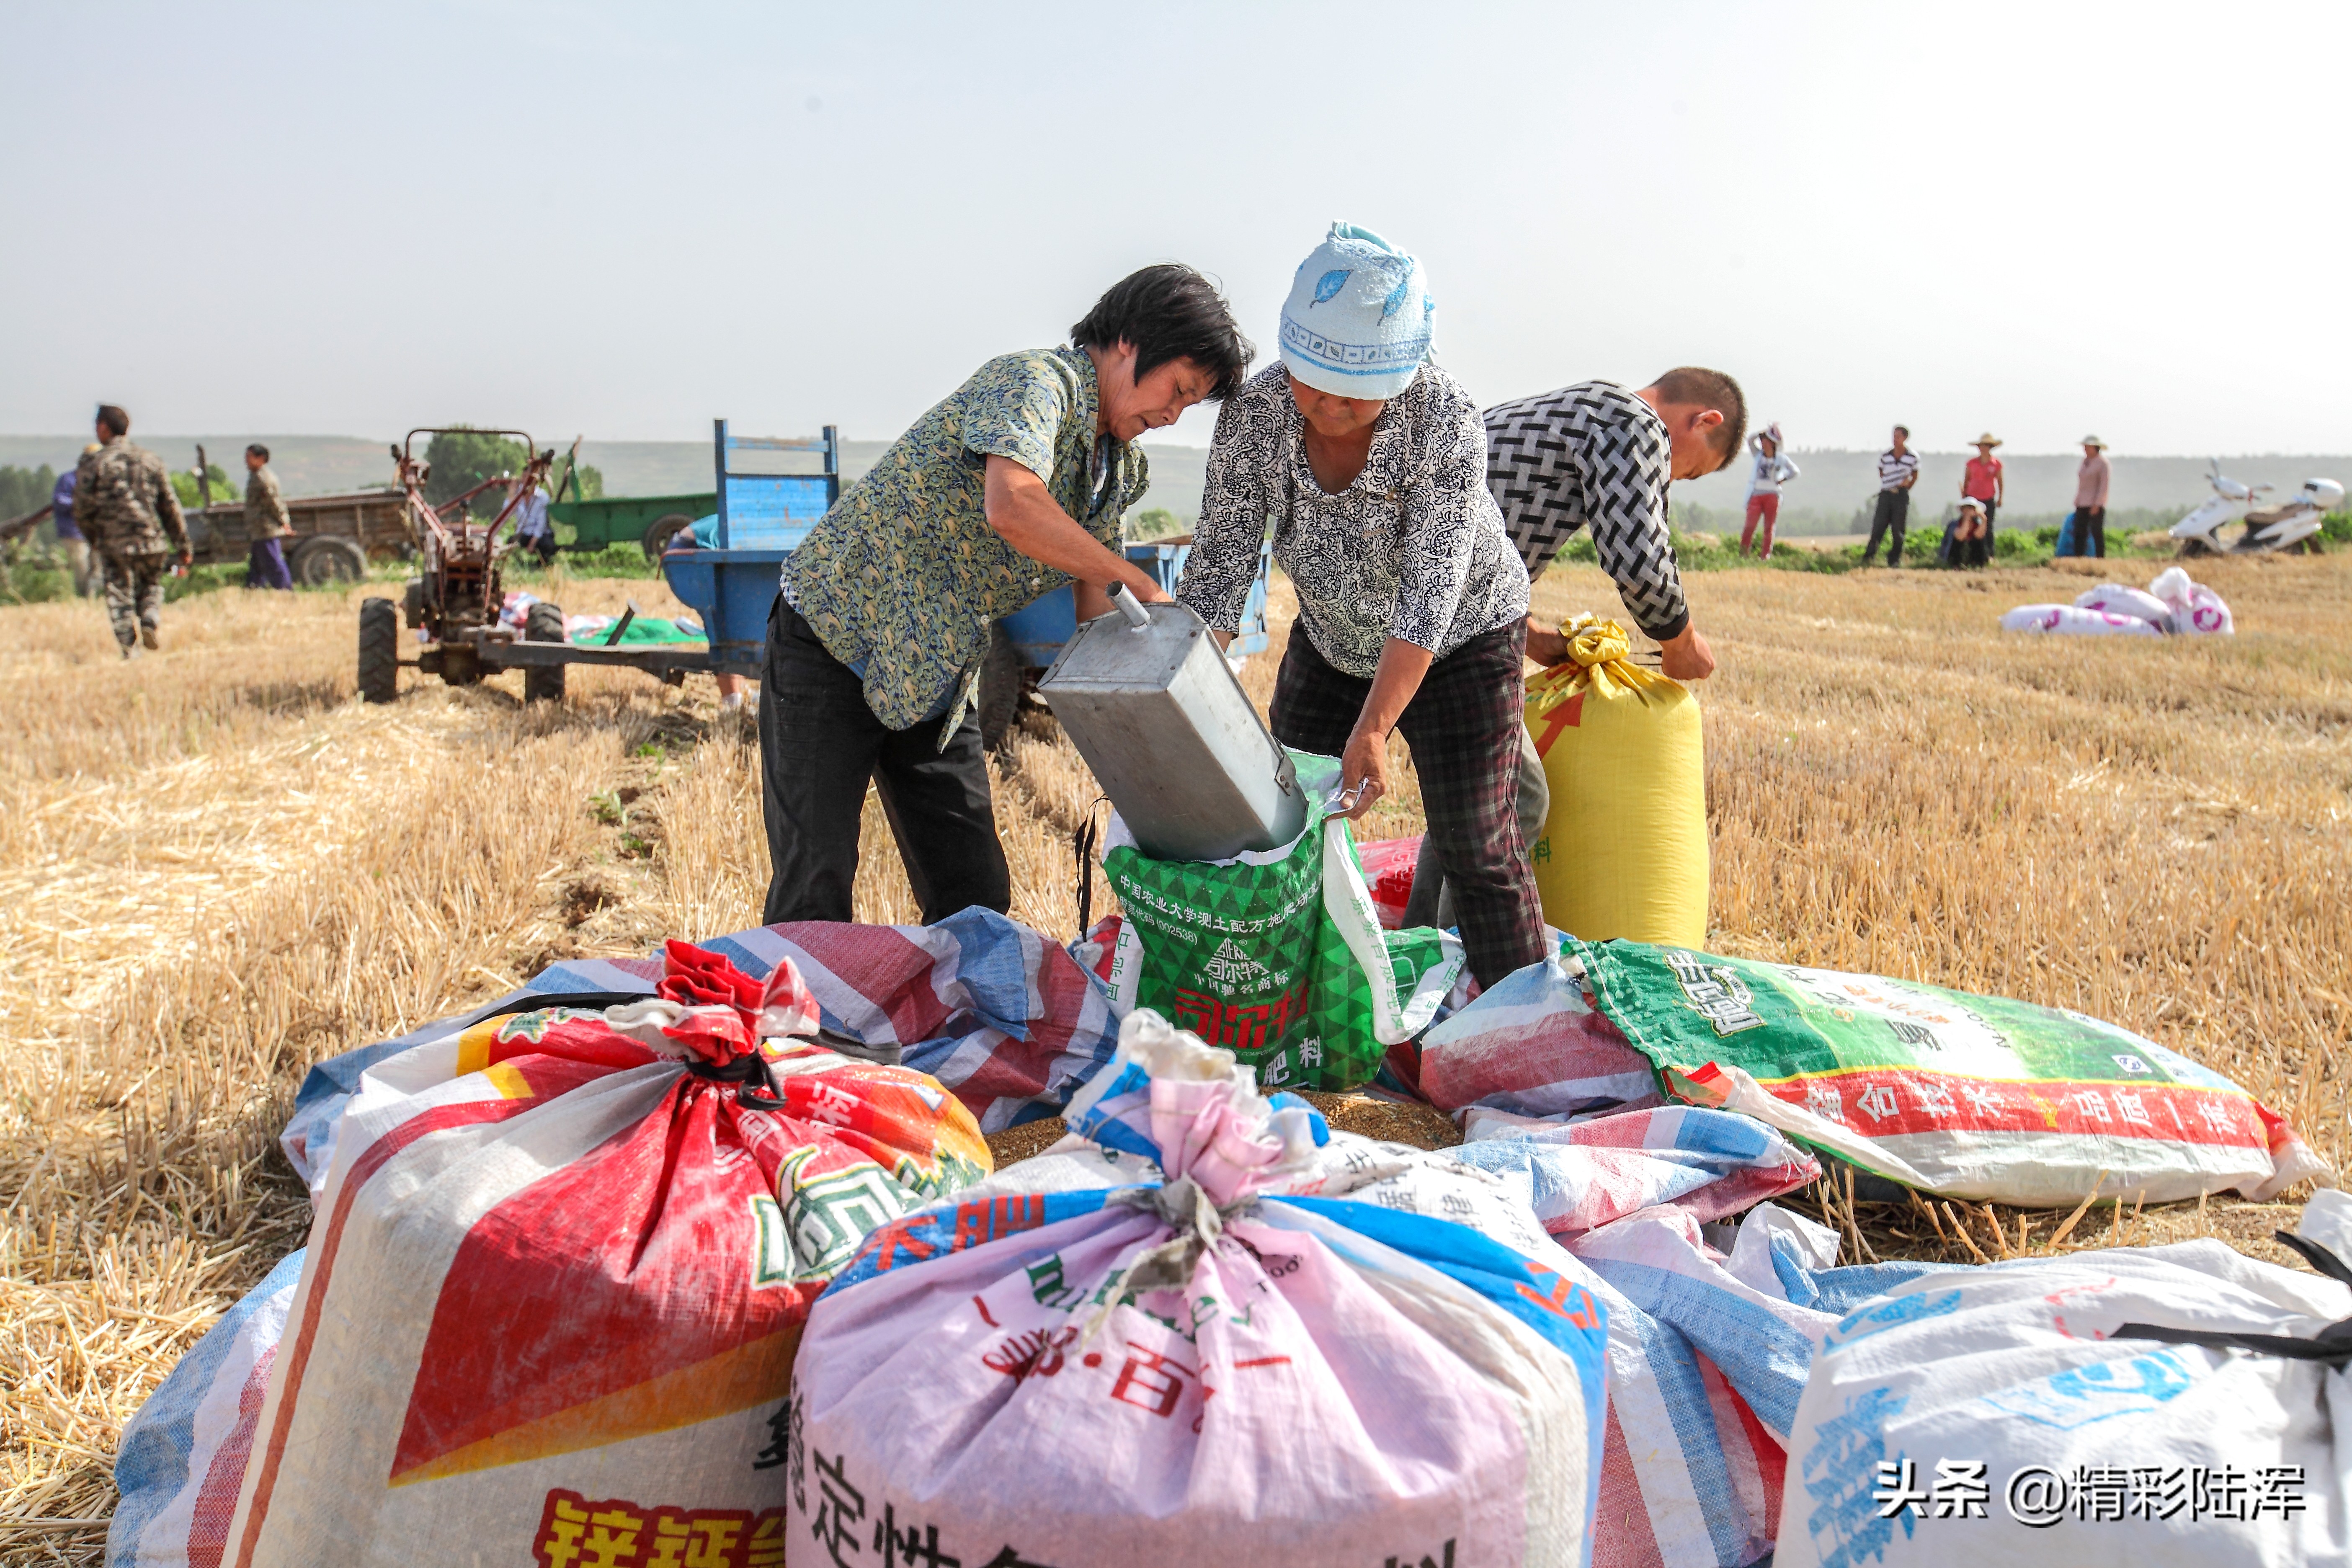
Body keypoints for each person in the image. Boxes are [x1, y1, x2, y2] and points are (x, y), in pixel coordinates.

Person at [766, 263, 1250, 926]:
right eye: (1179, 390)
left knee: (974, 894)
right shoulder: (1034, 383)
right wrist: (1136, 580)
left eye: (1190, 406)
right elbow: (1014, 506)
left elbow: (1096, 614)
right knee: (814, 890)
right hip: (835, 637)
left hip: (936, 667)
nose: (1172, 415)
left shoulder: (1114, 470)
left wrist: (1157, 730)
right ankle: (798, 997)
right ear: (1130, 342)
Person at [1180, 223, 1541, 991]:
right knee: (1283, 825)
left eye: (1355, 391)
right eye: (1311, 381)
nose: (1329, 404)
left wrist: (1373, 728)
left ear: (1401, 374)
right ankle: (1291, 999)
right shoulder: (1257, 414)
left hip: (1460, 640)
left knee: (1476, 843)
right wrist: (1179, 704)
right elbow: (1220, 568)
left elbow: (1431, 592)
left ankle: (1518, 1016)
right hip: (1333, 638)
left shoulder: (1443, 417)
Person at [1423, 368, 1743, 932]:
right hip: (1438, 619)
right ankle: (1446, 965)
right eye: (1690, 470)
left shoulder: (1576, 408)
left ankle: (1416, 944)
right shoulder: (1634, 422)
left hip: (1425, 604)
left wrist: (1532, 636)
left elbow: (1474, 533)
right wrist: (1679, 640)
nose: (1673, 478)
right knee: (1513, 799)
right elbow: (1638, 560)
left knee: (1472, 795)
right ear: (1704, 421)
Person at [75, 405, 190, 657]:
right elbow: (169, 506)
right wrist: (183, 545)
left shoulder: (95, 464)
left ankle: (130, 649)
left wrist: (94, 538)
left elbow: (82, 509)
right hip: (152, 539)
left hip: (114, 543)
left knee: (119, 596)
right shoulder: (150, 460)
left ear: (104, 428)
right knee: (151, 585)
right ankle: (150, 618)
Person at [1862, 424, 1919, 566]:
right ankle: (1869, 557)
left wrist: (1906, 487)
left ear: (1905, 438)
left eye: (1898, 437)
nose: (1895, 439)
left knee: (1898, 529)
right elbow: (1881, 472)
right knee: (1878, 526)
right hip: (1886, 494)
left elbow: (1915, 475)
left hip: (1901, 495)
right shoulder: (1886, 456)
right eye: (1894, 436)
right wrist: (1890, 483)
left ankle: (1894, 559)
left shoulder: (1912, 457)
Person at [1739, 423, 1799, 558]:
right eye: (1763, 441)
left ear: (1773, 443)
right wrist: (1763, 432)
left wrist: (1784, 478)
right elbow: (1750, 440)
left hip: (1773, 495)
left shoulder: (1781, 458)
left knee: (1769, 527)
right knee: (1749, 526)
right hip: (1756, 494)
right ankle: (1744, 554)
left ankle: (1765, 555)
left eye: (1766, 441)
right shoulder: (1758, 455)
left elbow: (1795, 472)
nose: (1763, 443)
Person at [242, 444, 294, 589]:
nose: (246, 460)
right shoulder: (256, 476)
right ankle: (253, 592)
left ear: (261, 459)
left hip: (266, 529)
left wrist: (284, 522)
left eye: (249, 457)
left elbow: (274, 503)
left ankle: (286, 592)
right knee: (257, 567)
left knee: (273, 564)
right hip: (259, 530)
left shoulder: (263, 479)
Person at [50, 452, 97, 596]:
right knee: (81, 565)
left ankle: (94, 595)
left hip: (97, 531)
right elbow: (60, 500)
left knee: (98, 566)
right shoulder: (68, 479)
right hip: (74, 531)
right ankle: (85, 595)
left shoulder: (100, 480)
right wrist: (80, 504)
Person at [1962, 432, 2005, 566]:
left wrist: (2000, 498)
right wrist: (1965, 496)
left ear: (1990, 447)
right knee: (1970, 525)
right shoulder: (1972, 463)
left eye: (1986, 446)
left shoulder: (1996, 464)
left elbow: (2000, 482)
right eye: (1981, 446)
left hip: (1988, 498)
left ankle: (1989, 554)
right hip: (1973, 498)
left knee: (1988, 526)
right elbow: (1967, 480)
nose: (1983, 448)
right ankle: (1970, 554)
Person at [2075, 435, 2111, 558]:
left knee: (2096, 532)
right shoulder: (2085, 462)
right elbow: (2082, 483)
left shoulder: (2103, 464)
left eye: (2088, 447)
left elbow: (2104, 486)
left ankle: (2100, 558)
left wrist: (2098, 504)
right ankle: (2079, 557)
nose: (2085, 449)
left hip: (2095, 503)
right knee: (2080, 532)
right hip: (2082, 502)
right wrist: (2078, 499)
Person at [511, 480, 557, 564]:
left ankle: (542, 564)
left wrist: (532, 544)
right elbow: (507, 512)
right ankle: (518, 563)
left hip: (541, 535)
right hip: (524, 533)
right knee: (510, 542)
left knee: (548, 546)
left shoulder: (543, 497)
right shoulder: (517, 495)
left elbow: (541, 525)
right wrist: (510, 494)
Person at [1950, 495, 1989, 567]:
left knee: (1979, 543)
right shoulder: (1955, 524)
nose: (1969, 510)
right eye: (1967, 508)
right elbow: (1960, 536)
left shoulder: (1977, 525)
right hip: (1959, 554)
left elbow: (1979, 536)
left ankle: (1978, 564)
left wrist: (1984, 519)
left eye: (1971, 508)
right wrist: (1967, 519)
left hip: (1973, 555)